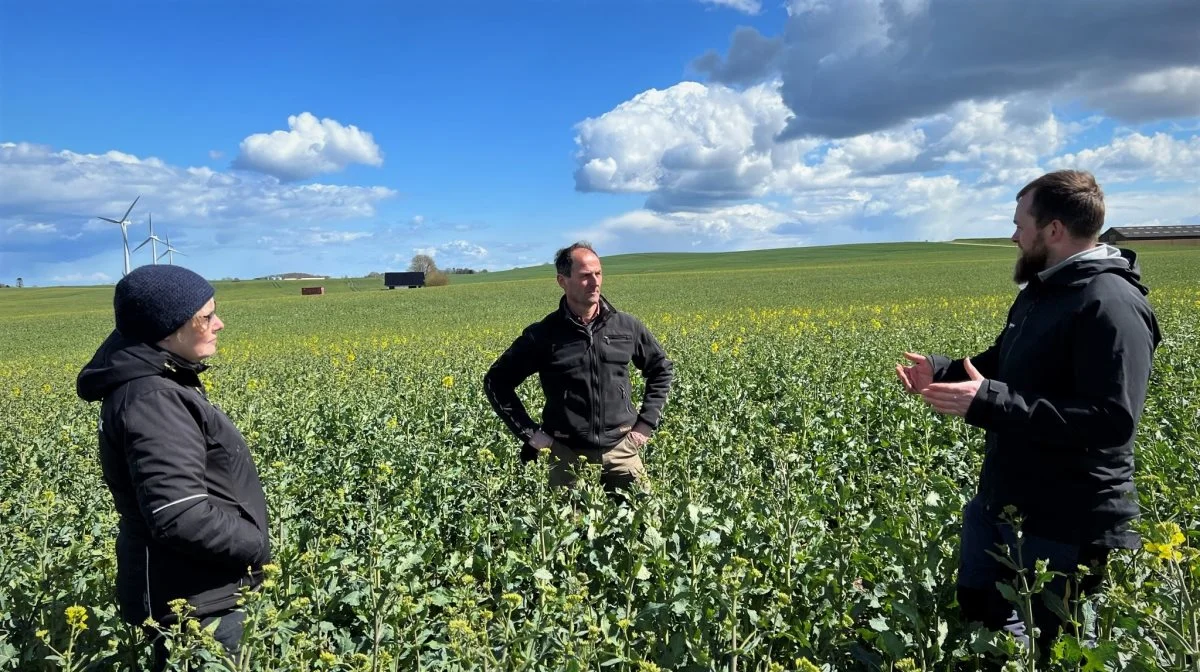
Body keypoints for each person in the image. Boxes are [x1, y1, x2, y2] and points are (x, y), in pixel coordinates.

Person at [896, 170, 1162, 651]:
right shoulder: (1044, 292)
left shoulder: (1111, 305)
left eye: (1021, 224)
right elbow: (1000, 364)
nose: (1013, 235)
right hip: (1008, 497)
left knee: (1054, 646)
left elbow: (1111, 420)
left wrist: (989, 402)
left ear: (1054, 230)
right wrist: (940, 371)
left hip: (1068, 516)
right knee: (980, 609)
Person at [76, 265, 270, 670]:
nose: (220, 324)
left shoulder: (156, 383)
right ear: (167, 328)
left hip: (197, 588)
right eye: (205, 316)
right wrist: (255, 546)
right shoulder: (153, 399)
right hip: (196, 600)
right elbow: (179, 514)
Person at [484, 242, 673, 494]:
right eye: (585, 276)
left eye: (598, 273)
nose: (595, 282)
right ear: (562, 281)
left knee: (646, 524)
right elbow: (496, 382)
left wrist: (645, 426)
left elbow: (661, 369)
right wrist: (531, 434)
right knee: (568, 530)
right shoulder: (543, 335)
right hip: (565, 454)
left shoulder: (625, 326)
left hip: (622, 449)